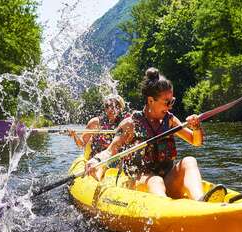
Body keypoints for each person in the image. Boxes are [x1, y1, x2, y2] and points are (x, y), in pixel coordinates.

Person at [86, 67, 224, 201]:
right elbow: (111, 150)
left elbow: (196, 141)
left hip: (167, 179)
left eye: (172, 101)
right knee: (156, 181)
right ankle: (166, 210)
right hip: (141, 181)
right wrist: (95, 161)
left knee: (189, 161)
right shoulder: (130, 124)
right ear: (151, 100)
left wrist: (196, 127)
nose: (170, 106)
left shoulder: (169, 120)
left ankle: (200, 200)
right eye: (167, 102)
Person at [69, 95, 127, 180]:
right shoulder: (96, 122)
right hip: (96, 160)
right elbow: (81, 144)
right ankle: (97, 179)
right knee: (102, 166)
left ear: (120, 108)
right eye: (107, 106)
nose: (110, 110)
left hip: (116, 160)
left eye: (114, 106)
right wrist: (74, 135)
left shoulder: (125, 123)